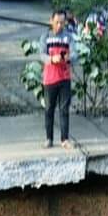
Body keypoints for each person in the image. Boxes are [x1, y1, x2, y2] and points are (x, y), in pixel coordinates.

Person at [39, 10, 78, 149]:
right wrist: (51, 59)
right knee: (49, 109)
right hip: (50, 79)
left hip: (64, 78)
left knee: (64, 109)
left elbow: (75, 53)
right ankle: (49, 138)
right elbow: (41, 55)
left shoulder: (68, 37)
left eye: (62, 22)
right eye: (57, 22)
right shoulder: (45, 37)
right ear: (51, 21)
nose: (59, 25)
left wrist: (69, 57)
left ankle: (65, 139)